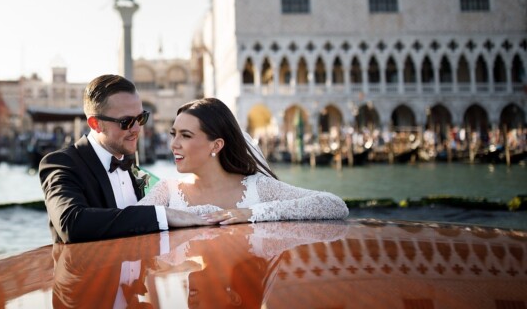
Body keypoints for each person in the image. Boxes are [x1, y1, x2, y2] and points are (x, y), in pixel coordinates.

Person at [39, 74, 209, 244]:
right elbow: (72, 224)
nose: (137, 129)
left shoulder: (135, 170)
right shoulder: (61, 163)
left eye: (141, 118)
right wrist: (161, 215)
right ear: (95, 124)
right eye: (126, 122)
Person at [138, 98, 349, 223]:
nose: (173, 144)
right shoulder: (168, 191)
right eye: (173, 134)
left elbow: (334, 204)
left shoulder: (258, 188)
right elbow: (127, 220)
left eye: (185, 135)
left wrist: (251, 213)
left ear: (216, 145)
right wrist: (186, 215)